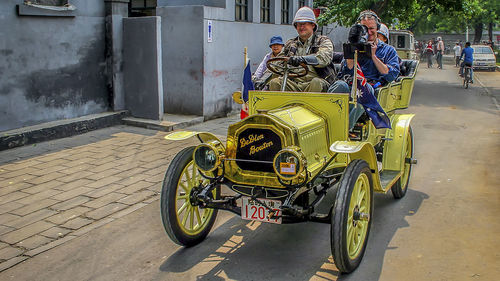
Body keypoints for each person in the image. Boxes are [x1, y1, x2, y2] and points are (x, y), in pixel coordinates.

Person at [328, 10, 400, 129]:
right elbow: (345, 71)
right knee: (339, 85)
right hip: (350, 84)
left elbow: (391, 75)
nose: (369, 32)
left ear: (377, 28)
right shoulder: (353, 45)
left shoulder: (388, 50)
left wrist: (373, 56)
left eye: (372, 28)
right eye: (365, 29)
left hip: (372, 89)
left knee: (365, 90)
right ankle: (327, 122)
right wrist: (353, 49)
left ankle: (344, 129)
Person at [268, 6, 334, 92]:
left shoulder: (323, 41)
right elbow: (276, 64)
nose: (301, 27)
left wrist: (302, 59)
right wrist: (263, 79)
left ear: (313, 25)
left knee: (316, 82)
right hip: (294, 83)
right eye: (299, 24)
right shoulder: (290, 44)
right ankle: (281, 105)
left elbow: (323, 58)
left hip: (315, 83)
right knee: (275, 82)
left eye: (305, 23)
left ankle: (310, 105)